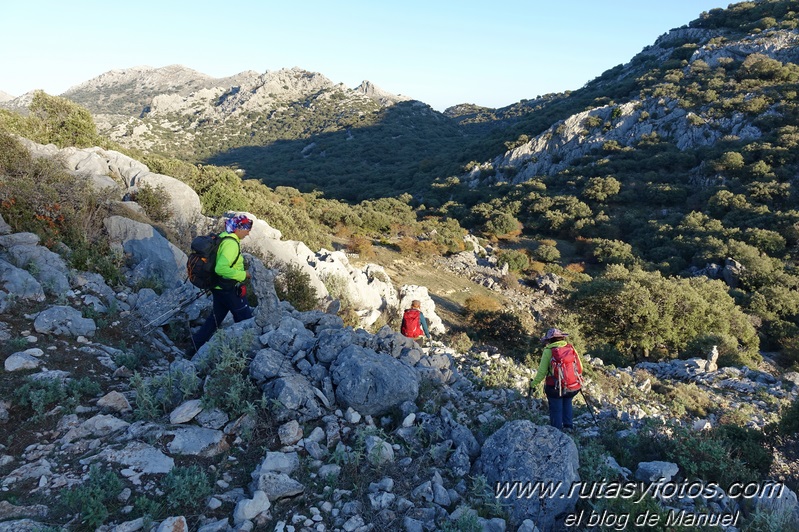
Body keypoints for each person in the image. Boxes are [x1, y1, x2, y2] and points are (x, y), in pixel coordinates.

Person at [188, 214, 254, 355]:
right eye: (247, 228)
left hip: (218, 287)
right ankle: (242, 355)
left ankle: (193, 347)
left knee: (215, 320)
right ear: (238, 228)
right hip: (229, 289)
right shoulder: (231, 244)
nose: (248, 232)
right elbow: (221, 268)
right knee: (246, 322)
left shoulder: (224, 236)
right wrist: (244, 275)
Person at [529, 328, 584, 431]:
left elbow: (542, 372)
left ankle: (557, 432)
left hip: (554, 387)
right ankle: (569, 427)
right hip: (572, 386)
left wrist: (533, 384)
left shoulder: (548, 351)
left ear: (549, 340)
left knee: (556, 408)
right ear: (562, 337)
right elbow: (580, 367)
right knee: (567, 402)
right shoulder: (571, 348)